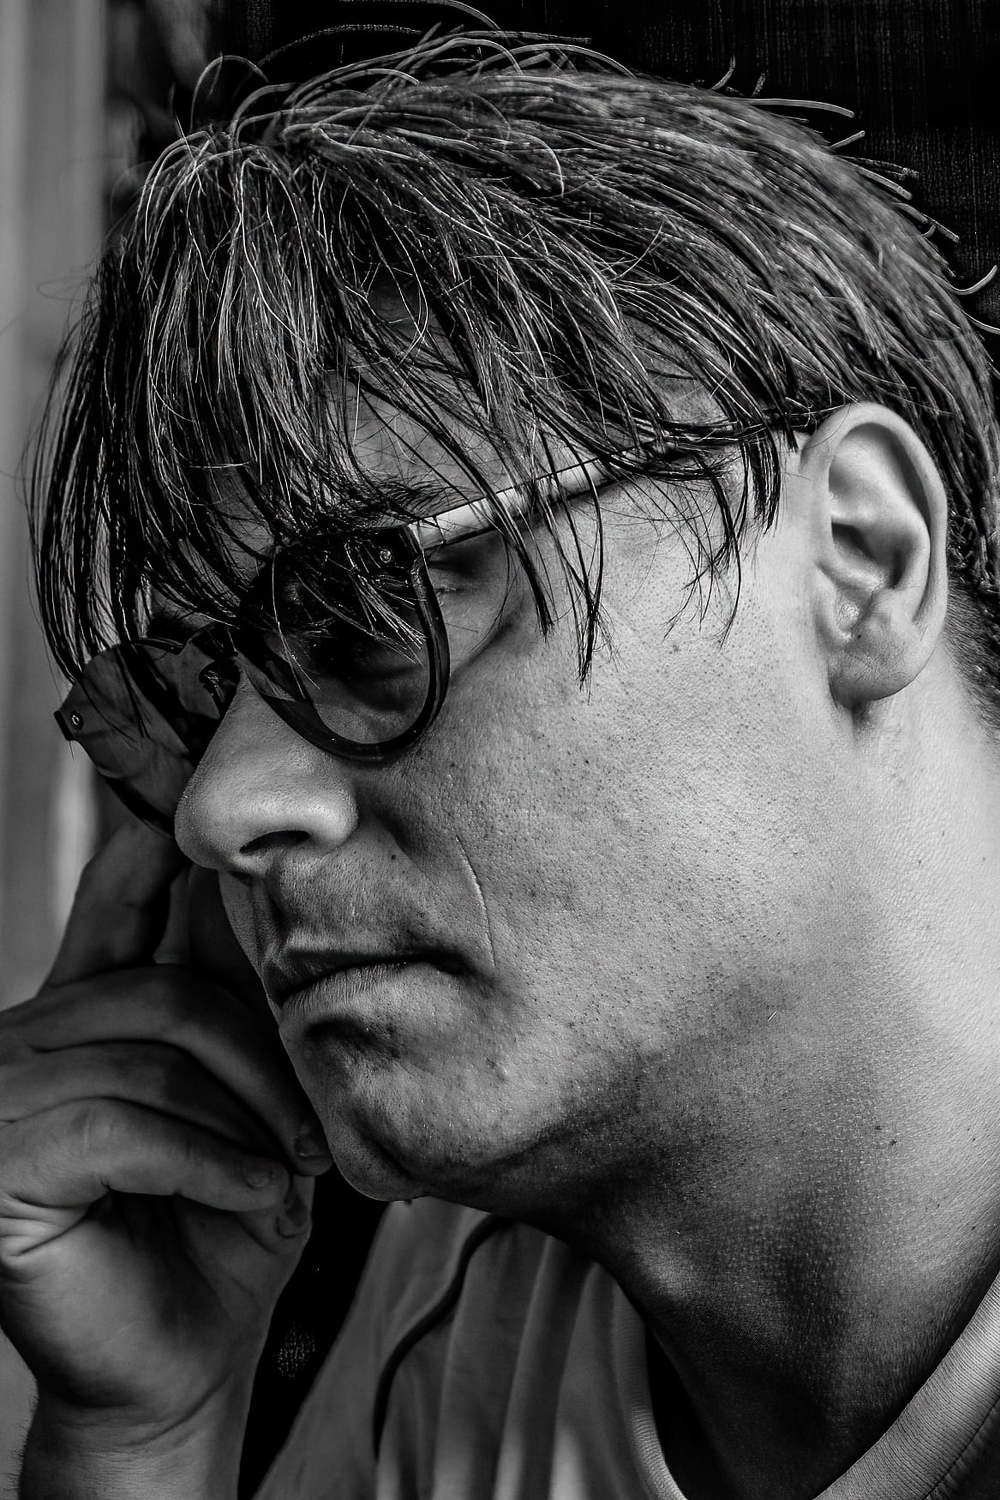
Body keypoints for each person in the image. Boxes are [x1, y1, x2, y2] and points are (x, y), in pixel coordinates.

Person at [5, 28, 1000, 1500]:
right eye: (193, 697)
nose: (221, 808)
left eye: (368, 612)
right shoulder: (468, 1336)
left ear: (857, 560)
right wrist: (140, 1436)